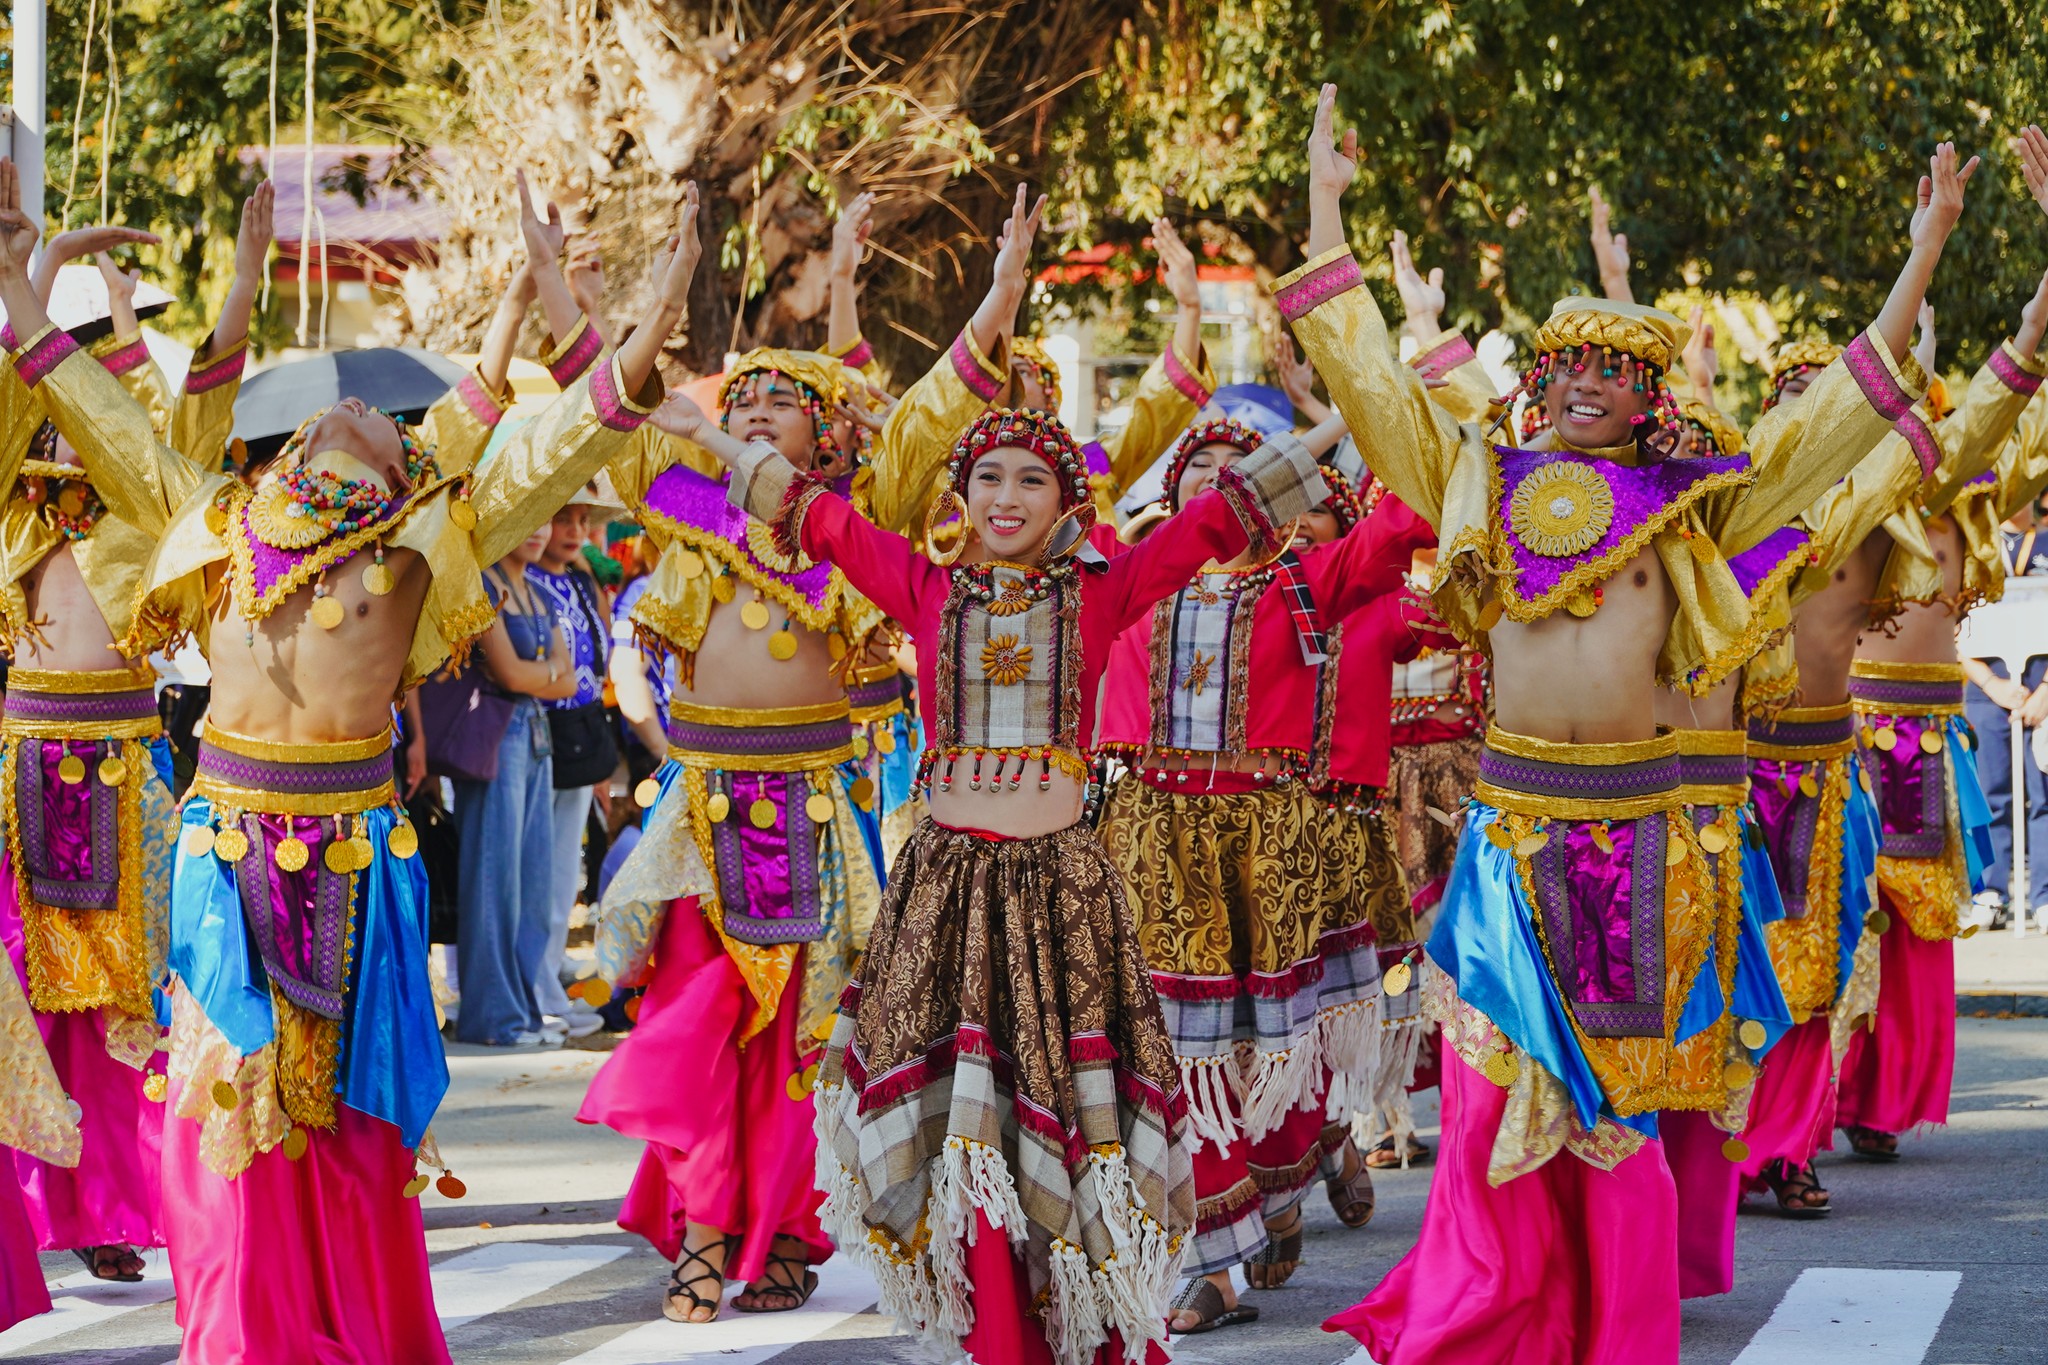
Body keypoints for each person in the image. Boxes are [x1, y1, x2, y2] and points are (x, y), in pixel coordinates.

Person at [1280, 85, 1961, 1363]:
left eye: (1614, 371)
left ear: (1648, 397)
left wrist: (1918, 256)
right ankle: (1494, 1308)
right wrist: (1325, 210)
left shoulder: (1697, 508)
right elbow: (1368, 384)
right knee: (1492, 1097)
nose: (1585, 384)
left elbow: (1826, 433)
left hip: (1644, 843)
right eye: (1566, 367)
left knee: (1617, 1108)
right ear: (1536, 385)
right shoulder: (1475, 481)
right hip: (1511, 841)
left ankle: (1614, 1325)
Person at [0, 156, 684, 1362]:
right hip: (224, 851)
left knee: (349, 1114)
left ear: (402, 463)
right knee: (223, 1107)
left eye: (372, 414)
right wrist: (20, 280)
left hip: (356, 855)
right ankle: (238, 1337)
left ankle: (350, 1326)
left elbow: (563, 442)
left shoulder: (427, 541)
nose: (341, 406)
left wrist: (648, 310)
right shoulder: (210, 520)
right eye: (325, 410)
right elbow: (102, 417)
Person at [666, 382, 1329, 1363]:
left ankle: (1078, 1330)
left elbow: (1215, 520)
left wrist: (1338, 422)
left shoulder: (1103, 588)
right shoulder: (923, 585)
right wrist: (709, 438)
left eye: (1030, 481)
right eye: (988, 478)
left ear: (1067, 502)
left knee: (1063, 1125)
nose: (1006, 498)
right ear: (961, 493)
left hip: (1061, 896)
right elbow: (817, 514)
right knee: (965, 1132)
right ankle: (997, 1337)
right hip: (947, 895)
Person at [581, 186, 1046, 1324]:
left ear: (825, 434)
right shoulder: (685, 501)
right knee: (697, 1028)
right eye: (739, 400)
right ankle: (701, 1234)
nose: (751, 413)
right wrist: (614, 296)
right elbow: (605, 411)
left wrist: (997, 299)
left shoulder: (855, 514)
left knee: (806, 1039)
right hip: (704, 812)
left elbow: (935, 409)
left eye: (779, 404)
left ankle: (786, 1229)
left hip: (817, 810)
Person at [1093, 405, 1420, 1329]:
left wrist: (1385, 396)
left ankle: (1287, 1174)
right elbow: (1046, 509)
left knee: (1272, 1052)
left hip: (1273, 843)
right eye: (1200, 468)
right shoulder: (1128, 577)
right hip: (1152, 839)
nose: (1221, 480)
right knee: (1172, 1054)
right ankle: (1215, 1264)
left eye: (1243, 466)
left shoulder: (1313, 581)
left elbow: (1405, 518)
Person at [0, 212, 179, 1285]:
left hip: (123, 771)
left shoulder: (145, 516)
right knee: (20, 991)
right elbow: (17, 392)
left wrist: (121, 314)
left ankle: (114, 1207)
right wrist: (37, 265)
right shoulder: (15, 514)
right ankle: (25, 1210)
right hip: (23, 769)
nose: (75, 424)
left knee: (122, 1004)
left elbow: (153, 426)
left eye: (91, 407)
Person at [451, 526, 575, 1047]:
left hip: (535, 734)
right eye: (531, 518)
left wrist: (540, 673)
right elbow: (509, 675)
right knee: (494, 878)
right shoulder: (482, 582)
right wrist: (547, 671)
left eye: (545, 519)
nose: (540, 529)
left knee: (533, 881)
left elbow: (571, 679)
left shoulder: (539, 591)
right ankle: (493, 1018)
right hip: (495, 737)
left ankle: (523, 1011)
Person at [526, 481, 622, 1040]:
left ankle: (547, 969)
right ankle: (534, 981)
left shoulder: (581, 582)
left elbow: (598, 656)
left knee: (565, 865)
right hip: (540, 737)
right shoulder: (525, 581)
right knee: (538, 867)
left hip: (582, 734)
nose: (573, 532)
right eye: (563, 518)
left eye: (582, 521)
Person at [1963, 494, 2048, 928]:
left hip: (2041, 688)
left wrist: (2044, 691)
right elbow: (1952, 625)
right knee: (1990, 794)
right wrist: (1990, 683)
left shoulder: (2046, 542)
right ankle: (1992, 891)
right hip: (1988, 688)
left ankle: (2044, 894)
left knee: (2043, 795)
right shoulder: (1975, 549)